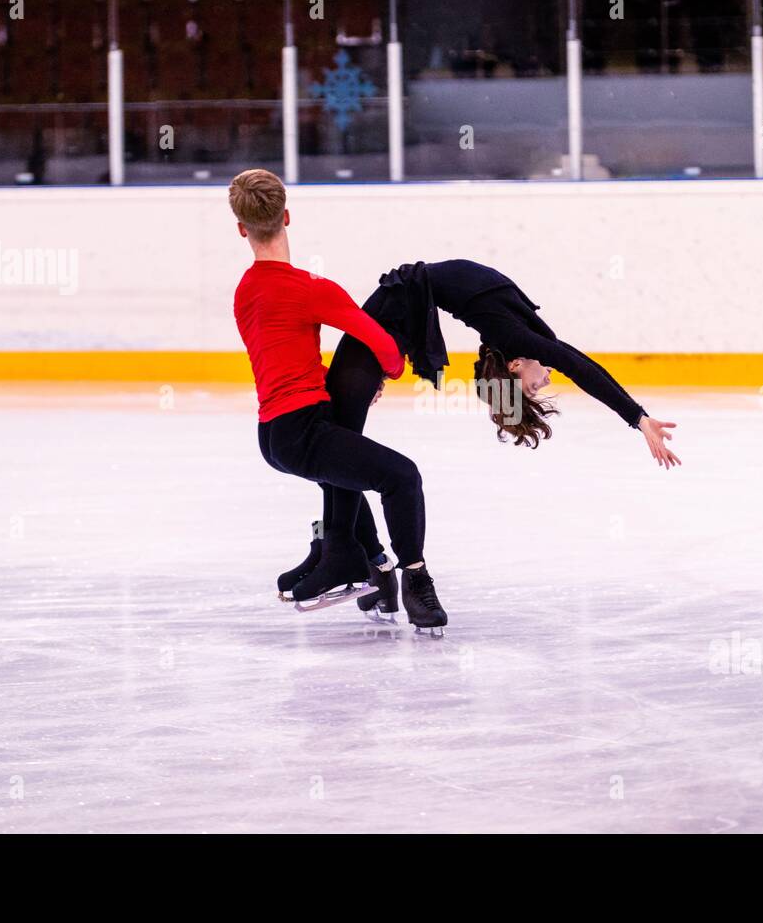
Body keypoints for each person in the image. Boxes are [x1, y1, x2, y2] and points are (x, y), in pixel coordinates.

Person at [283, 259, 680, 613]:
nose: (543, 384)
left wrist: (380, 366)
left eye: (530, 389)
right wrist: (638, 418)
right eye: (534, 391)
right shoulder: (520, 339)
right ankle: (344, 552)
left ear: (514, 366)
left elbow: (573, 362)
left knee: (340, 438)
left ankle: (364, 561)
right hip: (397, 305)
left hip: (398, 309)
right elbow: (577, 364)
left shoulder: (517, 340)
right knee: (338, 437)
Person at [229, 169, 448, 630]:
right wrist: (388, 372)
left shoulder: (245, 291)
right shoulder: (311, 288)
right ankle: (415, 579)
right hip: (306, 429)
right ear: (287, 217)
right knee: (401, 478)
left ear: (242, 229)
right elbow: (383, 343)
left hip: (273, 435)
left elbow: (281, 357)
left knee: (344, 471)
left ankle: (364, 562)